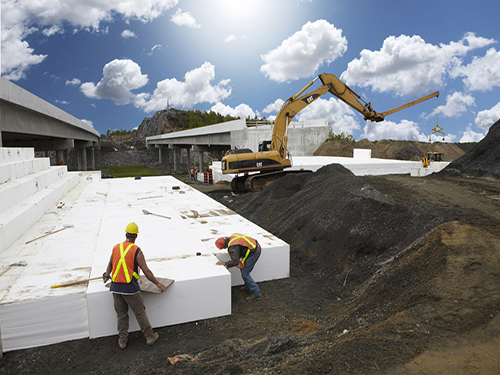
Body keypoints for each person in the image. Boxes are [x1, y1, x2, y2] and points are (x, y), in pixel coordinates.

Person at [103, 222, 167, 350]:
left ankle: (122, 341)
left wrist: (107, 275)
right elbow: (146, 271)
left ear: (126, 234)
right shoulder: (136, 250)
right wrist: (158, 283)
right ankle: (149, 336)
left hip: (115, 288)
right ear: (136, 236)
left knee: (121, 315)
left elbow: (110, 263)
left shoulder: (116, 247)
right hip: (130, 289)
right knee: (140, 313)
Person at [215, 233, 262, 301]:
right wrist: (238, 262)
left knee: (245, 274)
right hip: (253, 246)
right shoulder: (233, 237)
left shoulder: (232, 247)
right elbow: (240, 248)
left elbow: (235, 261)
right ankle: (248, 287)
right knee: (243, 269)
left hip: (254, 251)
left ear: (224, 246)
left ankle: (256, 294)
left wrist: (225, 263)